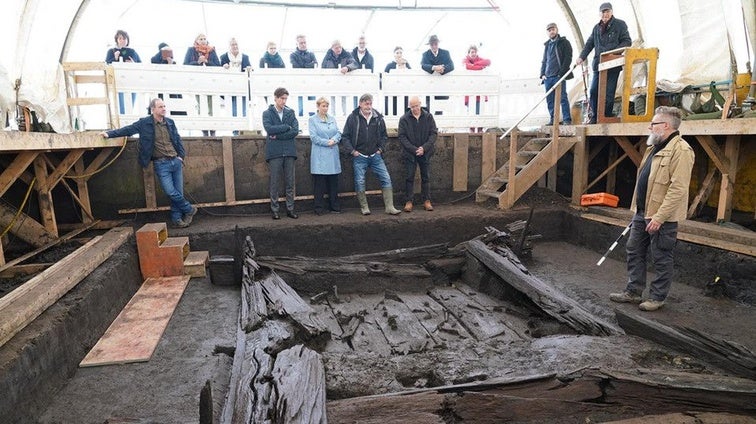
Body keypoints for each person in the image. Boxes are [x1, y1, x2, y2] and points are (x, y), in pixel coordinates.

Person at [609, 106, 695, 311]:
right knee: (634, 250)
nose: (650, 127)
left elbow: (678, 188)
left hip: (661, 217)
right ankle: (633, 291)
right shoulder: (653, 148)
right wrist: (639, 210)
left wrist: (660, 217)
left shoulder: (681, 150)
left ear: (665, 126)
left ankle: (657, 297)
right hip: (642, 212)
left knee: (661, 256)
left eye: (653, 124)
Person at [100, 98, 197, 228]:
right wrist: (109, 134)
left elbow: (177, 139)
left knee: (178, 193)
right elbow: (128, 130)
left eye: (164, 106)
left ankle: (177, 219)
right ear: (153, 109)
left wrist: (181, 156)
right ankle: (189, 209)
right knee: (170, 191)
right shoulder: (144, 123)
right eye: (160, 107)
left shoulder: (170, 122)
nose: (164, 109)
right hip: (161, 164)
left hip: (175, 161)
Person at [341, 93, 401, 216]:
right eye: (366, 103)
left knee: (386, 178)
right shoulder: (353, 118)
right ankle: (364, 207)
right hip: (359, 156)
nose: (368, 106)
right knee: (360, 181)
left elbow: (384, 136)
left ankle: (389, 207)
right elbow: (345, 137)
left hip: (375, 156)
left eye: (370, 103)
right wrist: (353, 151)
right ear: (360, 104)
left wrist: (380, 149)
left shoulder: (378, 118)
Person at [576, 2, 632, 123]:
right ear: (599, 13)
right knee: (594, 91)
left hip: (613, 63)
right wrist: (581, 57)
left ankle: (606, 116)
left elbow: (627, 41)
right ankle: (595, 117)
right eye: (603, 12)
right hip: (598, 64)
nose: (605, 14)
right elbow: (589, 44)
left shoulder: (620, 25)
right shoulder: (596, 28)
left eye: (607, 11)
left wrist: (613, 52)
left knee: (609, 92)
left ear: (611, 12)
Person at [262, 87, 300, 220]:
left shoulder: (290, 112)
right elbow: (269, 129)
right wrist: (285, 128)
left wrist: (277, 136)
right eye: (282, 98)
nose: (284, 101)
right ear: (275, 98)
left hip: (289, 151)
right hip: (275, 153)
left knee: (290, 182)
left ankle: (290, 209)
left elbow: (295, 130)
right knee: (275, 182)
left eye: (285, 99)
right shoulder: (267, 113)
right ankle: (275, 210)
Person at [398, 96, 437, 212]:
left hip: (425, 153)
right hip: (410, 154)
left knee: (426, 177)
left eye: (416, 106)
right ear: (409, 107)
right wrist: (414, 149)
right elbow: (402, 136)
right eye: (412, 106)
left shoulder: (428, 117)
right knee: (409, 177)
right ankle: (409, 201)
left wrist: (424, 148)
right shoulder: (404, 119)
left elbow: (433, 133)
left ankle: (427, 201)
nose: (415, 109)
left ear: (420, 104)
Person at [308, 97, 342, 215]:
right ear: (318, 107)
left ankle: (334, 206)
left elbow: (338, 132)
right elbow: (313, 137)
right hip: (320, 155)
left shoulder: (332, 119)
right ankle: (318, 208)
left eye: (327, 106)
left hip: (332, 154)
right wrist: (327, 142)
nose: (325, 108)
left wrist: (334, 139)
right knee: (319, 184)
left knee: (333, 182)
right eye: (323, 106)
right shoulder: (312, 120)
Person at [541, 23, 574, 125]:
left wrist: (561, 73)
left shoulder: (564, 42)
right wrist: (542, 74)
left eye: (553, 29)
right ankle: (553, 119)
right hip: (548, 77)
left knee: (562, 98)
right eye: (549, 30)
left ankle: (566, 119)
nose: (551, 31)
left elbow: (568, 57)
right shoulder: (547, 45)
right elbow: (544, 60)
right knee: (550, 100)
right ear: (547, 32)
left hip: (558, 76)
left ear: (557, 30)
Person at [220, 37, 251, 121]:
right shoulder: (223, 57)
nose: (235, 46)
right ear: (229, 46)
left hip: (242, 85)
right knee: (232, 107)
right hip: (229, 85)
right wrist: (223, 67)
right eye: (232, 44)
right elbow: (220, 71)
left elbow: (249, 69)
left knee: (243, 106)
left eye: (236, 44)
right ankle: (235, 130)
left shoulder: (245, 57)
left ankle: (243, 127)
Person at [462, 44, 491, 127]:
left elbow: (488, 61)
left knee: (479, 111)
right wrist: (480, 67)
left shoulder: (479, 59)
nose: (473, 53)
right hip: (469, 90)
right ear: (469, 53)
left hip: (479, 90)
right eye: (472, 52)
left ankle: (479, 128)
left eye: (475, 52)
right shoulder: (465, 59)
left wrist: (475, 64)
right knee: (470, 111)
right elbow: (467, 66)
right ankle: (471, 128)